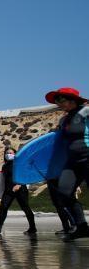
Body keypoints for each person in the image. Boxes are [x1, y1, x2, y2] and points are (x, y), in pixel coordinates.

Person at [47, 87, 89, 241]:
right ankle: (82, 227)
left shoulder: (85, 112)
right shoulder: (63, 120)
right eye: (57, 101)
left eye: (61, 100)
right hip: (72, 161)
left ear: (72, 100)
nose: (59, 104)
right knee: (63, 193)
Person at [0, 147, 37, 235]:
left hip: (20, 189)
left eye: (11, 153)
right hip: (8, 190)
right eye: (7, 153)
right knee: (3, 207)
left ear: (15, 154)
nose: (8, 155)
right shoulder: (4, 166)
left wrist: (19, 184)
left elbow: (24, 175)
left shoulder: (19, 163)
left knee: (25, 208)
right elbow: (2, 180)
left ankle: (33, 228)